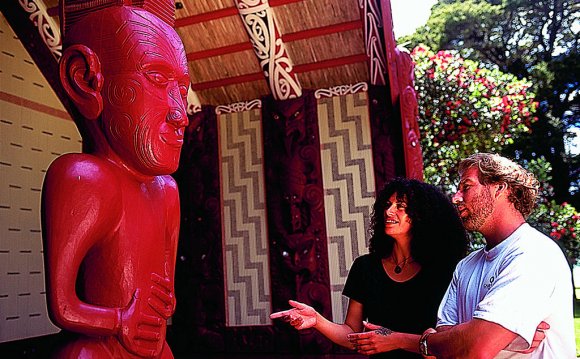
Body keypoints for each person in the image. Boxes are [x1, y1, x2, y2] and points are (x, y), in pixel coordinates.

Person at [41, 1, 189, 358]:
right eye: (156, 78)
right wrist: (120, 320)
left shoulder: (167, 190)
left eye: (182, 89)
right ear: (86, 80)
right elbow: (63, 306)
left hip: (153, 346)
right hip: (102, 347)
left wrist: (163, 304)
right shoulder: (83, 178)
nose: (180, 114)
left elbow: (166, 295)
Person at [349, 153, 575, 358]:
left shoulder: (532, 254)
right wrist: (486, 336)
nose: (456, 198)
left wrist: (446, 340)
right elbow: (447, 344)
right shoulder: (466, 266)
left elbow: (474, 348)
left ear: (499, 188)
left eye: (466, 187)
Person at [270, 178, 469, 358]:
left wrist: (395, 339)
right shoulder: (365, 267)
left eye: (400, 206)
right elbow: (353, 334)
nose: (389, 211)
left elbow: (451, 342)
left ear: (421, 216)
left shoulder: (445, 271)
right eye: (388, 204)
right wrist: (317, 320)